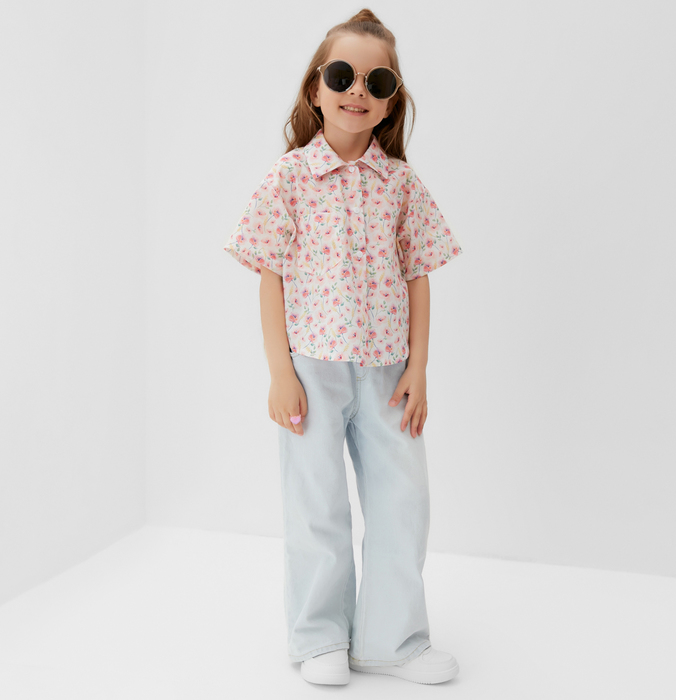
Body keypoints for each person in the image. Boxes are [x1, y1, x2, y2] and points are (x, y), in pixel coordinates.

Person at [224, 8, 463, 687]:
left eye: (376, 81)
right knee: (316, 505)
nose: (358, 89)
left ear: (390, 102)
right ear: (316, 89)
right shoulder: (290, 178)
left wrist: (419, 366)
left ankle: (392, 640)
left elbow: (418, 273)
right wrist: (280, 371)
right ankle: (319, 635)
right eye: (342, 75)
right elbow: (269, 275)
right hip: (312, 370)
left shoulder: (401, 184)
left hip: (387, 372)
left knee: (403, 501)